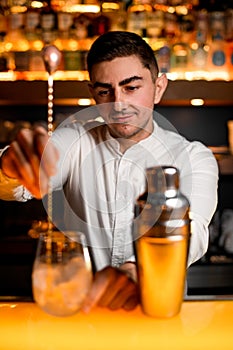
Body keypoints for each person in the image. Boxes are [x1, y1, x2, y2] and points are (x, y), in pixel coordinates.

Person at [0, 31, 218, 312]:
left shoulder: (193, 156)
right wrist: (13, 164)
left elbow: (193, 233)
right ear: (93, 93)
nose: (117, 103)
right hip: (81, 314)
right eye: (105, 91)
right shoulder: (75, 139)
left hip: (157, 311)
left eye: (131, 88)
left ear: (159, 86)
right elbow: (19, 180)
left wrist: (135, 271)